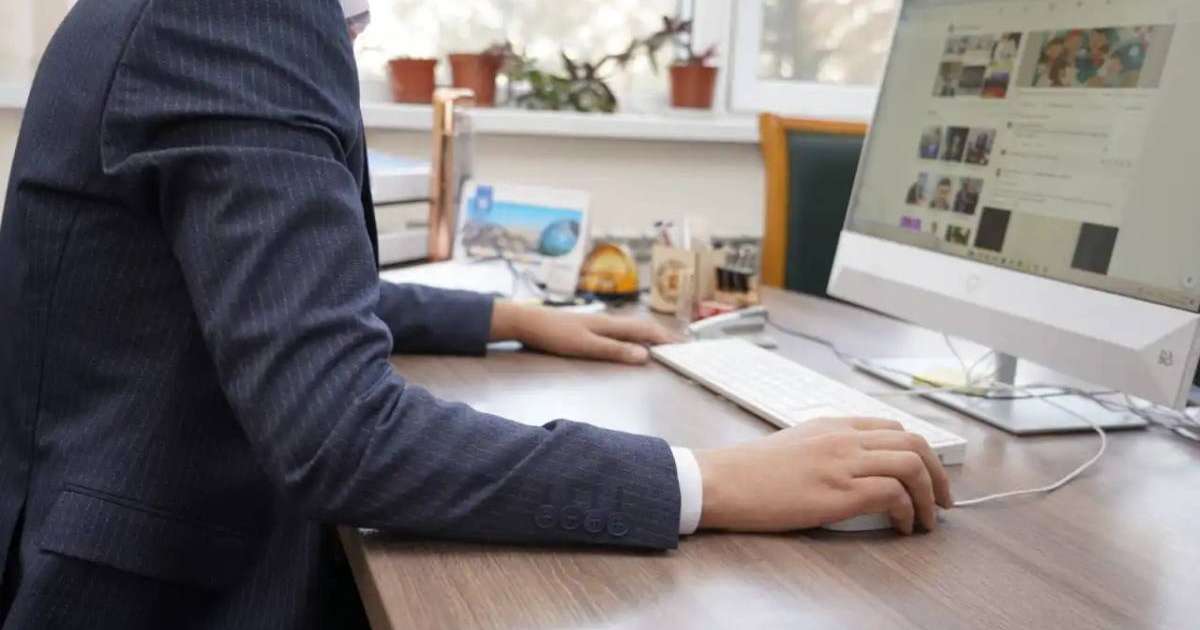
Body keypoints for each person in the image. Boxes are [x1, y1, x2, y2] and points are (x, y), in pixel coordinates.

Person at [0, 1, 952, 628]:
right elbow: (341, 434)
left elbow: (266, 294)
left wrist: (509, 316)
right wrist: (707, 482)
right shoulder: (239, 16)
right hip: (155, 596)